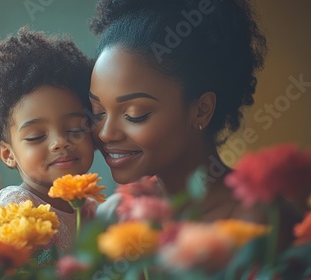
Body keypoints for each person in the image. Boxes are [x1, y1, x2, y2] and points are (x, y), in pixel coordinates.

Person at [88, 0, 298, 229]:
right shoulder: (113, 215)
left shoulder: (261, 222)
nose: (106, 133)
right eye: (98, 112)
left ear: (202, 110)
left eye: (134, 114)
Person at [0, 26, 95, 254]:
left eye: (75, 129)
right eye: (36, 136)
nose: (59, 142)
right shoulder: (15, 207)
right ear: (8, 154)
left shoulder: (90, 211)